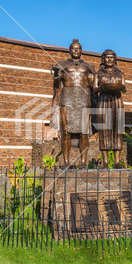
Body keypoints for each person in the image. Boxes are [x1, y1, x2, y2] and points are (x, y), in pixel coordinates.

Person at [50, 39, 96, 168]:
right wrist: (56, 73)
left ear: (81, 50)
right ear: (69, 50)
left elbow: (93, 85)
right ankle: (66, 161)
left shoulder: (89, 67)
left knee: (84, 131)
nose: (76, 50)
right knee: (66, 131)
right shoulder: (62, 65)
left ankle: (83, 162)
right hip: (67, 98)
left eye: (78, 48)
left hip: (84, 98)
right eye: (73, 48)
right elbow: (56, 83)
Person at [94, 49, 125, 168]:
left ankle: (117, 161)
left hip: (117, 102)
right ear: (103, 59)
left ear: (115, 59)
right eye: (107, 57)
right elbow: (94, 89)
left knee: (118, 130)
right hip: (103, 101)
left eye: (112, 57)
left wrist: (120, 87)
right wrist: (102, 88)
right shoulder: (98, 74)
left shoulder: (120, 73)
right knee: (104, 131)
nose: (110, 59)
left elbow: (124, 88)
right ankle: (105, 162)